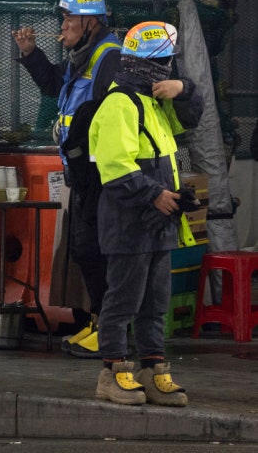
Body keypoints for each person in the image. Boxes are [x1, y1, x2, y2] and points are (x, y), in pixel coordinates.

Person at [89, 21, 203, 406]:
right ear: (151, 64)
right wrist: (154, 194)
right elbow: (115, 166)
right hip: (129, 224)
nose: (169, 69)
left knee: (156, 304)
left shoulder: (153, 103)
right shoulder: (121, 103)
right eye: (166, 63)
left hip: (157, 224)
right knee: (122, 302)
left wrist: (184, 89)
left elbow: (191, 116)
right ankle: (113, 372)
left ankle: (152, 371)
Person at [12, 0, 121, 358]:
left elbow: (110, 114)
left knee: (95, 252)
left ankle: (110, 333)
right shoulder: (82, 59)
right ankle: (96, 323)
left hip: (103, 175)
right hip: (83, 174)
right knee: (85, 253)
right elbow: (55, 84)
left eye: (69, 17)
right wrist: (30, 54)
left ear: (91, 21)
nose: (64, 25)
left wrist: (77, 136)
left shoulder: (110, 58)